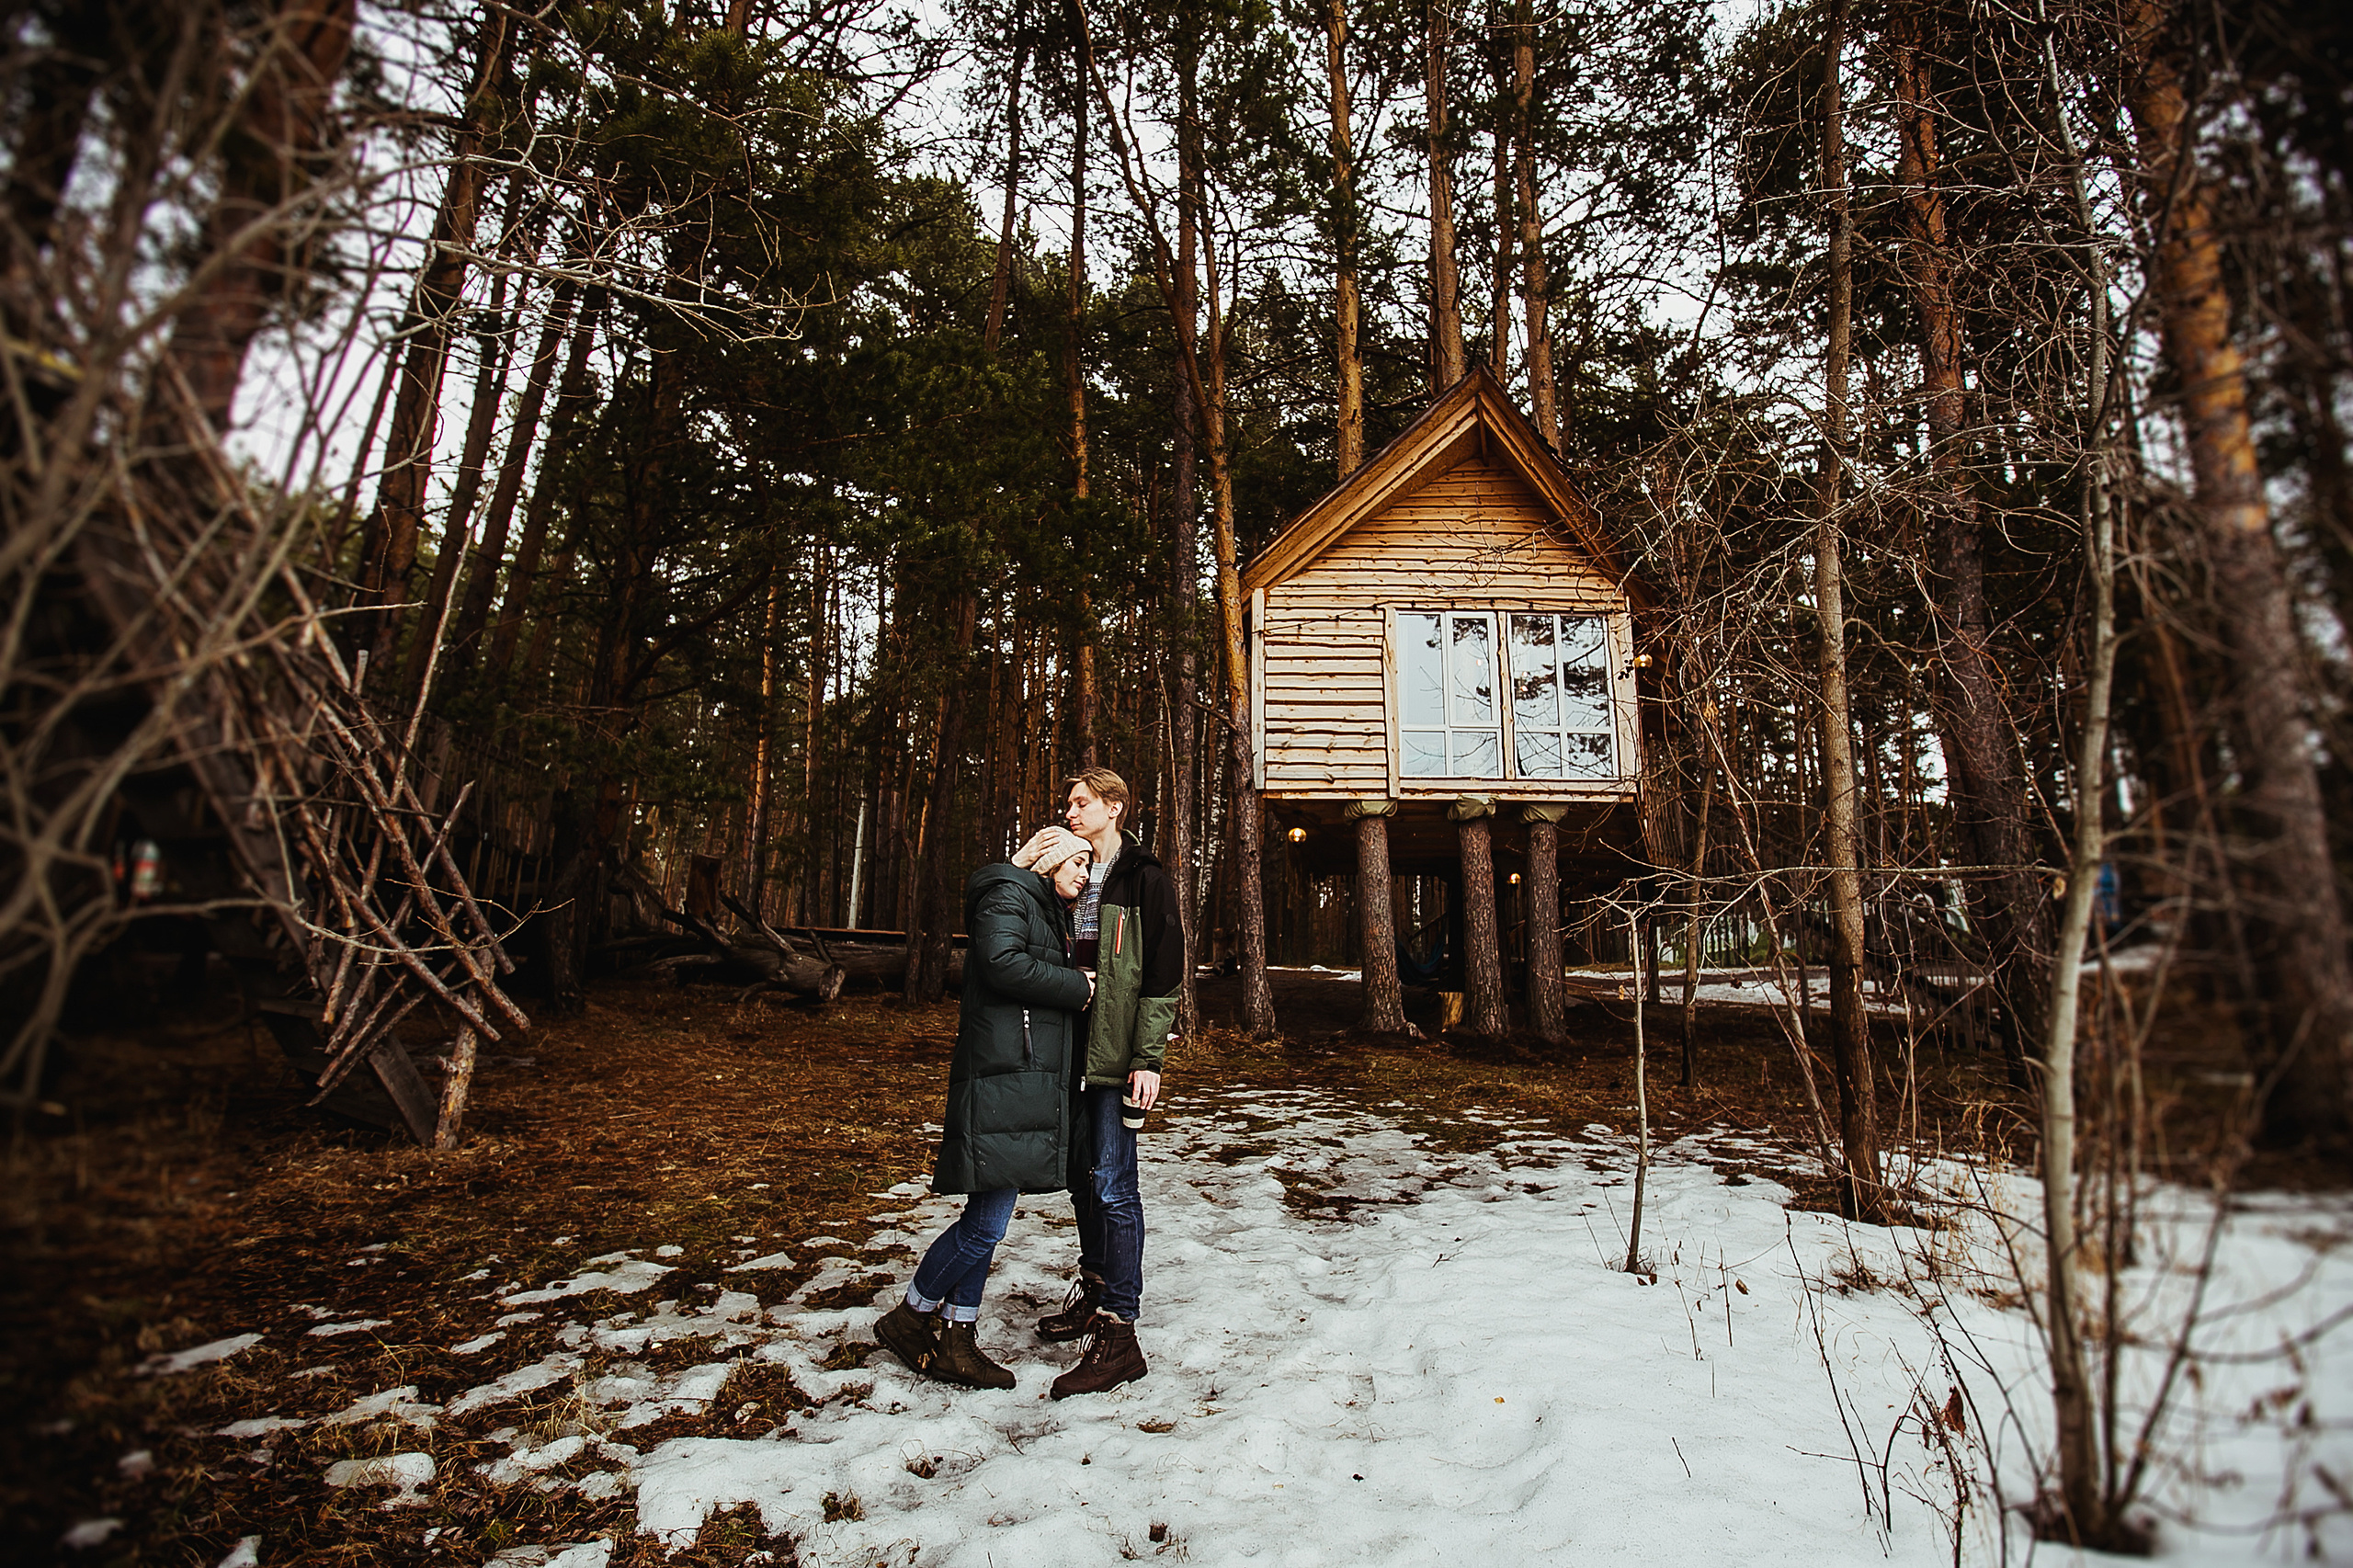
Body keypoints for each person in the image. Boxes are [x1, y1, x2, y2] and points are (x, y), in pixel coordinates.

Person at [873, 827, 1096, 1389]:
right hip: (1004, 1079)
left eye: (1090, 865)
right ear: (1050, 860)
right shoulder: (1009, 896)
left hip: (1019, 1081)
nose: (1085, 874)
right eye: (1078, 861)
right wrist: (1077, 986)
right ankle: (912, 1315)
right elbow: (1002, 965)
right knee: (985, 1224)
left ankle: (957, 1335)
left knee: (987, 1219)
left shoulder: (1036, 903)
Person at [1039, 767, 1184, 1400]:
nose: (1071, 811)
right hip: (1069, 1050)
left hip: (1117, 1055)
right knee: (1082, 1181)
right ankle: (1095, 1294)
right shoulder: (1068, 875)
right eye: (1068, 803)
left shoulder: (1144, 876)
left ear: (1114, 807)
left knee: (1115, 1185)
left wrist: (1147, 1057)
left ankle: (1120, 1333)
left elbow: (1163, 970)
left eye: (1082, 802)